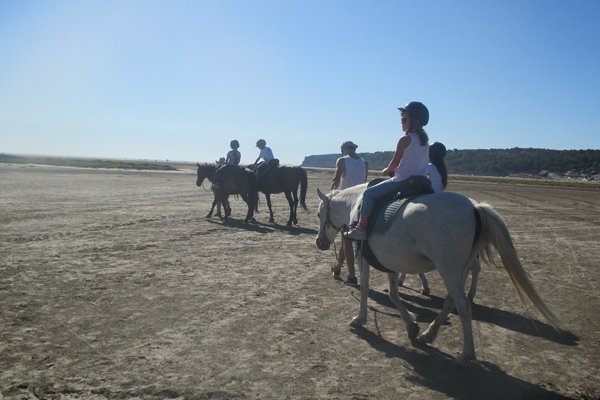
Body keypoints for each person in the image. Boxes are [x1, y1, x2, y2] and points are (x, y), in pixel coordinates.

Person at [345, 102, 430, 241]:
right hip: (422, 181)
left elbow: (394, 163)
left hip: (403, 181)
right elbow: (413, 165)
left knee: (369, 194)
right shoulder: (425, 142)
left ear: (415, 121)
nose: (401, 122)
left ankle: (361, 229)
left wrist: (387, 170)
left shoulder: (405, 139)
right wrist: (397, 169)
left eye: (404, 119)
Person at [330, 141, 369, 285]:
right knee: (345, 240)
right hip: (362, 202)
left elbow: (335, 180)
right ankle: (338, 268)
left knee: (346, 241)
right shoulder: (365, 163)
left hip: (348, 204)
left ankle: (352, 277)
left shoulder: (342, 161)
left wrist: (330, 198)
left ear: (344, 150)